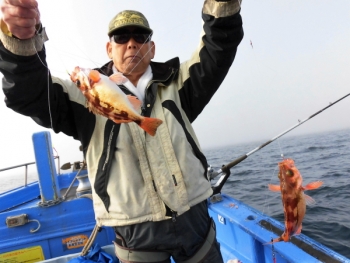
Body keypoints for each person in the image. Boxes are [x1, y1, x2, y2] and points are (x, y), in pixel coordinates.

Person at [0, 0, 243, 262]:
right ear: (109, 48)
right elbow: (28, 93)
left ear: (151, 48)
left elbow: (219, 48)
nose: (131, 43)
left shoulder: (180, 81)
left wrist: (223, 5)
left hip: (194, 217)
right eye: (121, 36)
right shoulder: (84, 93)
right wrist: (20, 42)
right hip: (133, 229)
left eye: (140, 36)